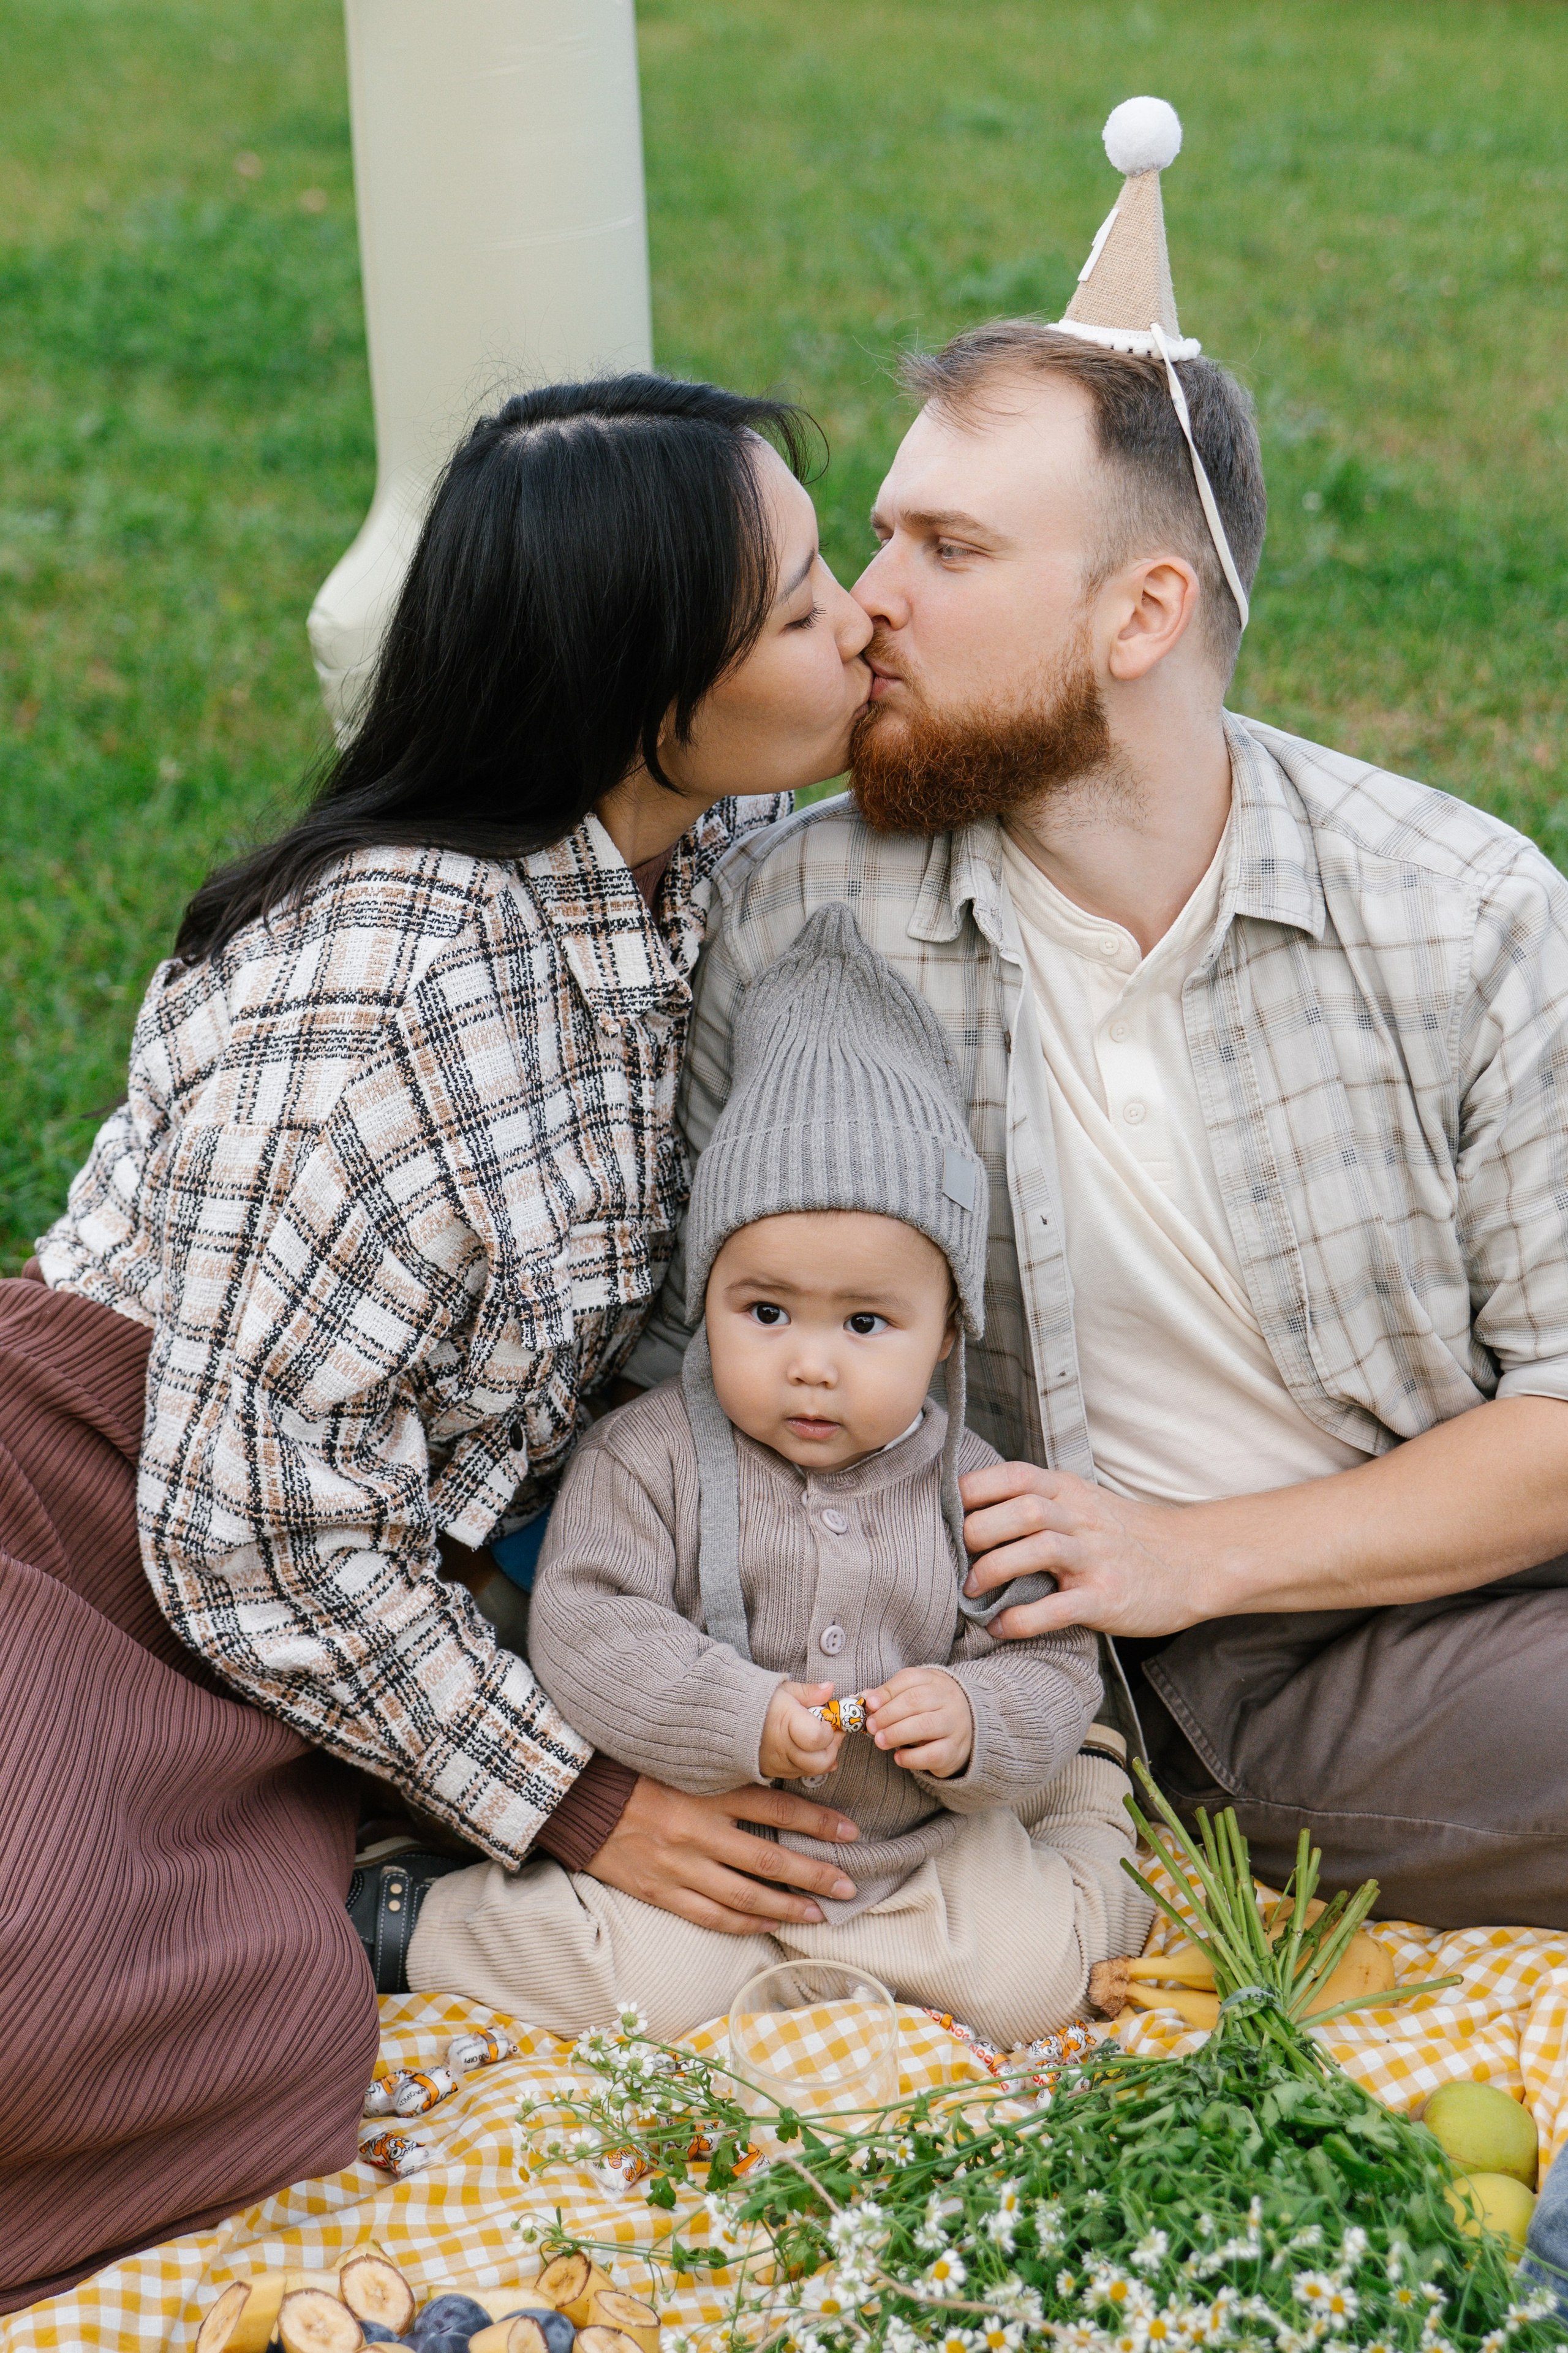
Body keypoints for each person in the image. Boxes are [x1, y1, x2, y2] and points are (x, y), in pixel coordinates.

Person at [629, 110, 1568, 1932]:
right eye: (881, 538)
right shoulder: (806, 922)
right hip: (1178, 1672)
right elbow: (695, 1366)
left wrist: (1190, 1548)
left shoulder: (1457, 912)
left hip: (1414, 1562)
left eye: (948, 549)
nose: (868, 604)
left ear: (1142, 613)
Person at [3, 374, 877, 2309]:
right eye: (808, 604)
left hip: (315, 1594)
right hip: (90, 1521)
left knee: (255, 2025)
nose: (865, 621)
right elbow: (241, 1514)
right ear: (647, 694)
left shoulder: (690, 845)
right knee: (61, 2005)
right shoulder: (393, 994)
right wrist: (580, 1802)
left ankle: (334, 1855)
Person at [410, 907, 1148, 2045]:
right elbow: (586, 1630)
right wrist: (734, 1712)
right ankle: (406, 1915)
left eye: (866, 1322)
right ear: (708, 1291)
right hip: (700, 1850)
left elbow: (1049, 1662)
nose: (811, 1362)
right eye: (765, 1310)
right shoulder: (646, 1457)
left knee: (1033, 1981)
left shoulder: (975, 1487)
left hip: (916, 1857)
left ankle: (1091, 1805)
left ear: (946, 1334)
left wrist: (972, 1718)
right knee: (643, 1989)